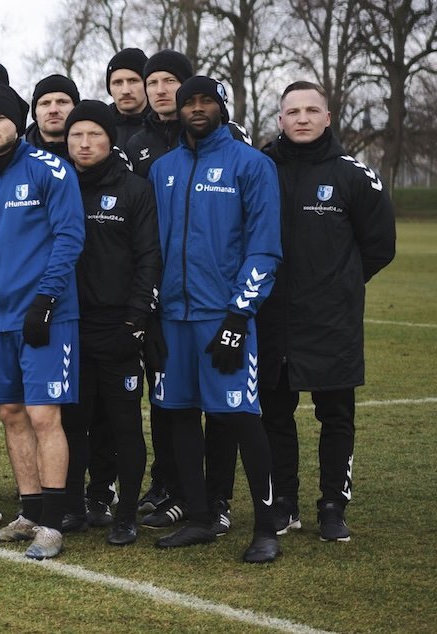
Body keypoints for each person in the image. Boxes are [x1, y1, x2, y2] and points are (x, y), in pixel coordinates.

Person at [146, 76, 283, 564]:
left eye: (206, 101)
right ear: (177, 111)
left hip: (223, 318)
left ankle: (266, 528)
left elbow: (264, 248)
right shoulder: (163, 169)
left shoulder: (252, 165)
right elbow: (151, 250)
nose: (197, 108)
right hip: (172, 319)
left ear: (223, 107)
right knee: (178, 415)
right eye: (189, 103)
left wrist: (237, 317)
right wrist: (152, 316)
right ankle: (201, 518)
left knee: (241, 418)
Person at [261, 81, 395, 543]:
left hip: (330, 320)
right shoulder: (260, 167)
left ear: (328, 117)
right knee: (273, 414)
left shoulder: (354, 174)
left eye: (311, 110)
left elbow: (380, 245)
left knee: (335, 415)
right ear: (279, 119)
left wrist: (339, 286)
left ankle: (333, 505)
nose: (301, 118)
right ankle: (283, 504)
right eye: (292, 111)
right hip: (271, 317)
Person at [0, 84, 86, 561]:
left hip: (46, 316)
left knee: (43, 415)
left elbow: (70, 235)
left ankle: (53, 525)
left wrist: (46, 299)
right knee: (11, 414)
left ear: (17, 122)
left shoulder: (48, 168)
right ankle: (30, 513)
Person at [58, 100, 160, 545]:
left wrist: (135, 321)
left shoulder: (135, 190)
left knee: (123, 424)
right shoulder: (57, 185)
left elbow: (148, 259)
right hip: (69, 326)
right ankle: (75, 508)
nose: (84, 143)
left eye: (94, 134)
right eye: (76, 134)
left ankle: (125, 515)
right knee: (72, 424)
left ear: (109, 138)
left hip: (118, 327)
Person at [123, 50, 193, 177]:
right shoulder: (136, 144)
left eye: (169, 80)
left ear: (187, 85)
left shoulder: (209, 135)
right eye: (152, 83)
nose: (160, 90)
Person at [106, 48, 151, 144]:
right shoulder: (98, 127)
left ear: (147, 84)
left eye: (133, 81)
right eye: (118, 82)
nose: (125, 91)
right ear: (109, 88)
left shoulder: (164, 125)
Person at [30, 74, 79, 155]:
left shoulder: (97, 155)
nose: (53, 110)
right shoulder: (14, 155)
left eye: (62, 102)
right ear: (35, 112)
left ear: (76, 109)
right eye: (45, 103)